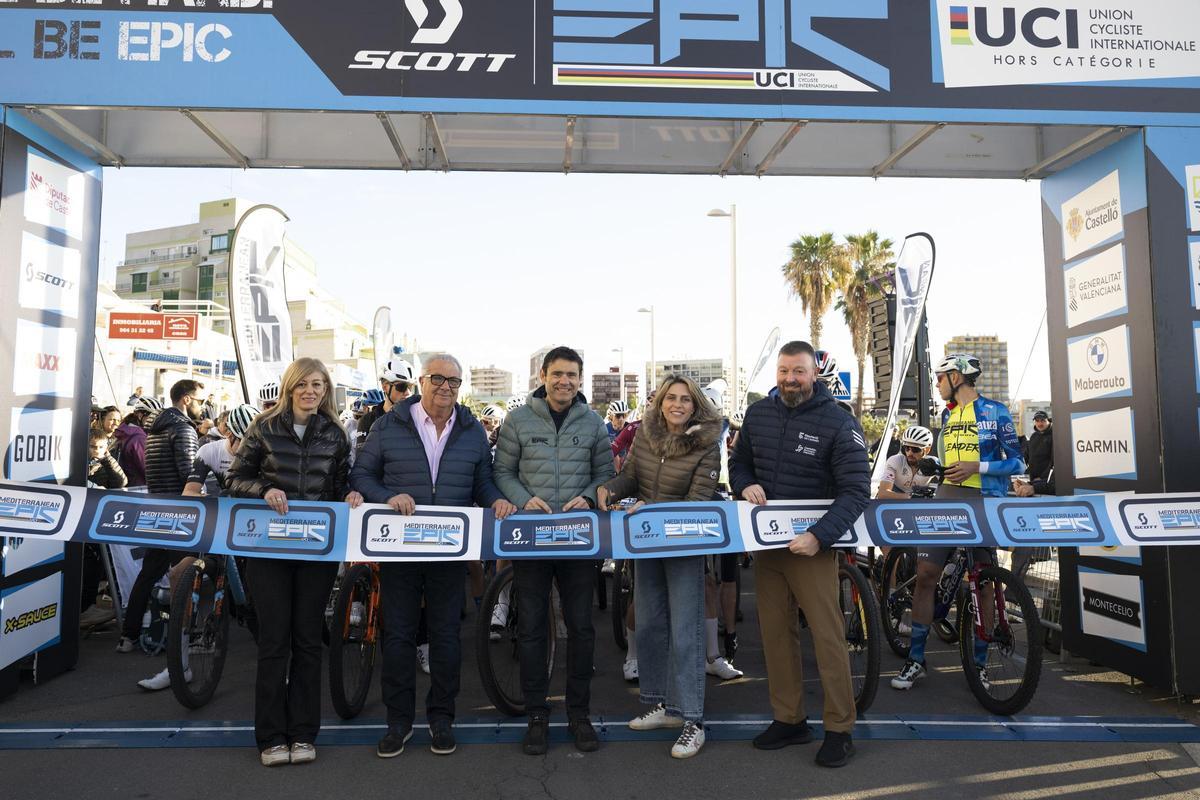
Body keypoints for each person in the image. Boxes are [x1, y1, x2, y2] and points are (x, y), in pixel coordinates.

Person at [351, 353, 516, 760]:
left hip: (448, 552)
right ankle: (399, 722)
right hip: (400, 551)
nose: (446, 387)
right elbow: (361, 477)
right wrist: (388, 497)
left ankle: (442, 719)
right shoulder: (389, 424)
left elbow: (483, 483)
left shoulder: (471, 429)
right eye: (438, 379)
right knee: (400, 637)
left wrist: (497, 502)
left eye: (454, 381)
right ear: (423, 380)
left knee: (445, 639)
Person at [730, 341, 870, 768]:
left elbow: (857, 491)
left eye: (799, 371)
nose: (791, 378)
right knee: (775, 633)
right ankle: (789, 719)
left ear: (814, 374)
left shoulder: (838, 421)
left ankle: (839, 728)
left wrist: (819, 537)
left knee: (828, 637)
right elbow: (738, 463)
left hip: (812, 548)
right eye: (784, 371)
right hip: (768, 545)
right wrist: (744, 483)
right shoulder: (758, 414)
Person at [226, 358, 363, 767]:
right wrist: (263, 489)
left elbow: (340, 487)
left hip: (316, 552)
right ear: (290, 386)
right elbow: (233, 479)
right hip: (268, 551)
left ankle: (303, 733)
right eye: (303, 383)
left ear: (326, 389)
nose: (311, 391)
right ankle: (270, 737)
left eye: (318, 384)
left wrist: (352, 495)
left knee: (307, 641)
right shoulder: (264, 427)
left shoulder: (335, 434)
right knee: (274, 642)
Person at [492, 346, 614, 756]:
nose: (565, 381)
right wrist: (523, 498)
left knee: (580, 627)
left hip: (579, 539)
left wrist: (588, 494)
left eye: (572, 375)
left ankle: (579, 714)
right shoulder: (518, 419)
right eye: (557, 374)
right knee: (531, 628)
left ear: (581, 379)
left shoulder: (594, 422)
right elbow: (502, 472)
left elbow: (605, 474)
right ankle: (537, 715)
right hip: (533, 539)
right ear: (543, 375)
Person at [597, 374, 722, 760]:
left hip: (685, 544)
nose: (678, 405)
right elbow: (631, 476)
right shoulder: (645, 436)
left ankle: (693, 720)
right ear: (660, 402)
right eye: (671, 398)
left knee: (686, 632)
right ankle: (665, 706)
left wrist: (653, 509)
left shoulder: (707, 444)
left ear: (696, 404)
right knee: (650, 623)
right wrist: (610, 489)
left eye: (685, 399)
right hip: (648, 543)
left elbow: (700, 500)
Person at [891, 353, 1024, 693]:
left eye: (941, 377)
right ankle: (916, 659)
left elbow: (1017, 463)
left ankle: (979, 664)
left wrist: (976, 467)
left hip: (983, 501)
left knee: (984, 584)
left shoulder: (996, 412)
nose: (936, 383)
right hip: (947, 497)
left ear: (958, 377)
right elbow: (951, 463)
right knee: (925, 574)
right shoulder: (948, 417)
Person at [115, 379, 204, 654]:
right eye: (201, 399)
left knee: (149, 574)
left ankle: (128, 636)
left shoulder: (153, 430)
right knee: (185, 576)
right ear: (187, 400)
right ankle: (186, 640)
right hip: (181, 514)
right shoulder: (183, 429)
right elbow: (190, 474)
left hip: (156, 510)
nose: (204, 405)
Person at [356, 361, 416, 453]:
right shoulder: (368, 421)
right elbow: (362, 459)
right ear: (385, 387)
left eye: (410, 387)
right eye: (401, 387)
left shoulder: (418, 418)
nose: (408, 392)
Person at [112, 396, 161, 489]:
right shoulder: (138, 438)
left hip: (127, 489)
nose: (156, 420)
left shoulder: (126, 432)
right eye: (153, 416)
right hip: (140, 491)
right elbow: (149, 471)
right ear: (140, 415)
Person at [875, 426, 935, 499]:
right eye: (906, 448)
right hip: (895, 498)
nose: (909, 453)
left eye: (915, 449)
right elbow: (883, 494)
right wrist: (911, 497)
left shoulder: (934, 463)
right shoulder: (895, 461)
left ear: (927, 450)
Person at [1015, 411, 1054, 496]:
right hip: (1033, 480)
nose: (1040, 423)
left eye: (1042, 420)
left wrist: (1042, 477)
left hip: (1047, 482)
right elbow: (1027, 457)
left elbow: (1054, 461)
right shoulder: (1033, 436)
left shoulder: (1054, 436)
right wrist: (1021, 475)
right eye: (1037, 421)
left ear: (1048, 420)